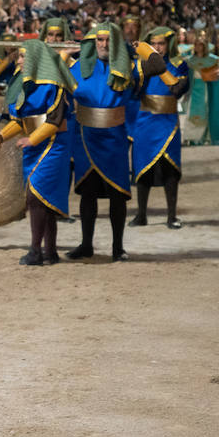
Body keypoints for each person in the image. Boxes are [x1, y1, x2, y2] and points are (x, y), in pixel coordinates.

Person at [66, 22, 164, 262]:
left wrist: (137, 48)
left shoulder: (128, 68)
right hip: (86, 138)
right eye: (99, 40)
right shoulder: (77, 68)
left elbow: (158, 64)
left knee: (117, 195)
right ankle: (86, 244)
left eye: (109, 40)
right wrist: (62, 54)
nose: (103, 45)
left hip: (114, 139)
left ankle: (117, 248)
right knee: (87, 194)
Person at [0, 40, 76, 265]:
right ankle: (51, 252)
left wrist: (32, 138)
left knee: (35, 198)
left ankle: (36, 251)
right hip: (34, 147)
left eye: (23, 57)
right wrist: (1, 137)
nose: (18, 61)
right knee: (42, 199)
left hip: (54, 146)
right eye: (19, 57)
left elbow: (54, 121)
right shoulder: (23, 86)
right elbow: (19, 121)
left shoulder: (54, 85)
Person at [130, 25, 189, 229]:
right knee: (142, 167)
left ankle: (172, 216)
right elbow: (133, 91)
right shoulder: (141, 66)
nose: (157, 47)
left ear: (168, 44)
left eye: (161, 44)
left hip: (168, 122)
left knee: (170, 168)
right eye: (153, 44)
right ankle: (141, 214)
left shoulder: (180, 65)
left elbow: (177, 90)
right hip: (145, 120)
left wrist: (159, 66)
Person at [183, 33, 219, 147]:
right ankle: (190, 136)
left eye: (201, 45)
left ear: (204, 46)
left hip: (206, 88)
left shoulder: (212, 60)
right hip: (194, 88)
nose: (198, 47)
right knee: (191, 112)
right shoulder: (190, 60)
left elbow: (218, 73)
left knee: (205, 111)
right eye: (196, 45)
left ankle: (203, 137)